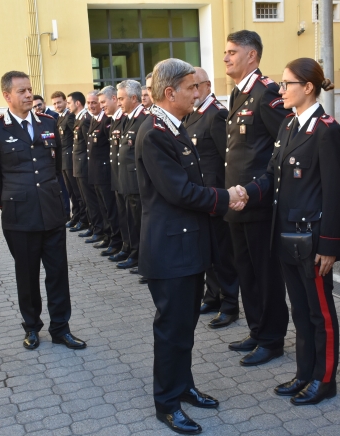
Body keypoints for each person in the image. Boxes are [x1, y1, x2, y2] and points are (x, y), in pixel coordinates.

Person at [136, 58, 247, 435]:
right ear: (171, 93)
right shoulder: (153, 133)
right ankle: (166, 403)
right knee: (171, 329)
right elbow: (179, 191)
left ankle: (183, 387)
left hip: (186, 247)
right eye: (191, 88)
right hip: (170, 251)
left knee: (183, 328)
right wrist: (226, 196)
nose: (198, 92)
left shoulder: (173, 127)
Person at [243, 58, 340, 405]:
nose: (281, 90)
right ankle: (304, 373)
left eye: (287, 84)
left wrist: (330, 245)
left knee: (320, 314)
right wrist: (246, 193)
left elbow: (334, 192)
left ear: (308, 88)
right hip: (285, 236)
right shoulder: (288, 125)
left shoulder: (327, 130)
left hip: (312, 239)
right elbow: (273, 176)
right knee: (300, 311)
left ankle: (324, 379)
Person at [0, 71, 86, 350]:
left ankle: (61, 328)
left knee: (58, 274)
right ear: (7, 96)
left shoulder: (49, 123)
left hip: (51, 212)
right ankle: (32, 327)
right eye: (22, 91)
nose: (28, 95)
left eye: (30, 90)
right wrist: (9, 202)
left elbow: (55, 165)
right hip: (20, 216)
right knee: (27, 276)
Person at [223, 30, 290, 366]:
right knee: (246, 271)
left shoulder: (267, 93)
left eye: (232, 52)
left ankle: (273, 339)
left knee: (265, 273)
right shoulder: (239, 94)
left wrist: (258, 190)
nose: (226, 58)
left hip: (259, 202)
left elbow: (285, 147)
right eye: (225, 52)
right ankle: (257, 329)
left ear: (252, 56)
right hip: (237, 202)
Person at [183, 67, 240, 329]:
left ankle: (229, 304)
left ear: (206, 85)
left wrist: (226, 197)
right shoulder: (193, 114)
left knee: (222, 254)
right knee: (209, 251)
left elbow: (226, 160)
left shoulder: (216, 114)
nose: (193, 92)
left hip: (216, 195)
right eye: (189, 87)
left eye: (195, 86)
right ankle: (212, 296)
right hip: (202, 197)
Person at [116, 80, 148, 270]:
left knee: (140, 224)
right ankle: (135, 254)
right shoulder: (128, 118)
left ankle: (143, 260)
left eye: (121, 98)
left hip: (137, 182)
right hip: (127, 181)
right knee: (132, 222)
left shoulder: (144, 119)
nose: (119, 102)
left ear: (133, 98)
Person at [86, 90, 121, 256]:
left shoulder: (107, 121)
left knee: (110, 209)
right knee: (103, 208)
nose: (94, 106)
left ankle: (115, 241)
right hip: (95, 172)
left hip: (105, 172)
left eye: (97, 102)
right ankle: (108, 237)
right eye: (91, 103)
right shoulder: (95, 121)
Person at [98, 86, 131, 262]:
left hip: (125, 177)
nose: (101, 105)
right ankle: (125, 246)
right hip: (117, 176)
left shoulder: (124, 120)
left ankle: (131, 249)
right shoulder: (113, 120)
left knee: (129, 218)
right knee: (122, 215)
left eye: (104, 102)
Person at [67, 92, 104, 241]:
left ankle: (97, 228)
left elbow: (89, 147)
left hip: (84, 165)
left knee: (91, 200)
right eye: (89, 103)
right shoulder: (80, 118)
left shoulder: (86, 120)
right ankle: (93, 226)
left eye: (69, 102)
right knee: (85, 199)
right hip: (79, 165)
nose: (91, 106)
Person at [51, 91, 87, 229]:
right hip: (64, 160)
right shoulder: (59, 118)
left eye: (59, 102)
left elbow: (77, 138)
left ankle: (83, 219)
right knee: (71, 191)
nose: (57, 105)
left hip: (72, 158)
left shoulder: (71, 117)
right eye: (54, 103)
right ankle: (76, 216)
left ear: (65, 101)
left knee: (77, 192)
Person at [33, 94, 70, 219]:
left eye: (39, 104)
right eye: (35, 106)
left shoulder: (52, 118)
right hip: (48, 160)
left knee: (63, 189)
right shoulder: (36, 119)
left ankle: (65, 213)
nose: (37, 108)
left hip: (58, 159)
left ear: (43, 103)